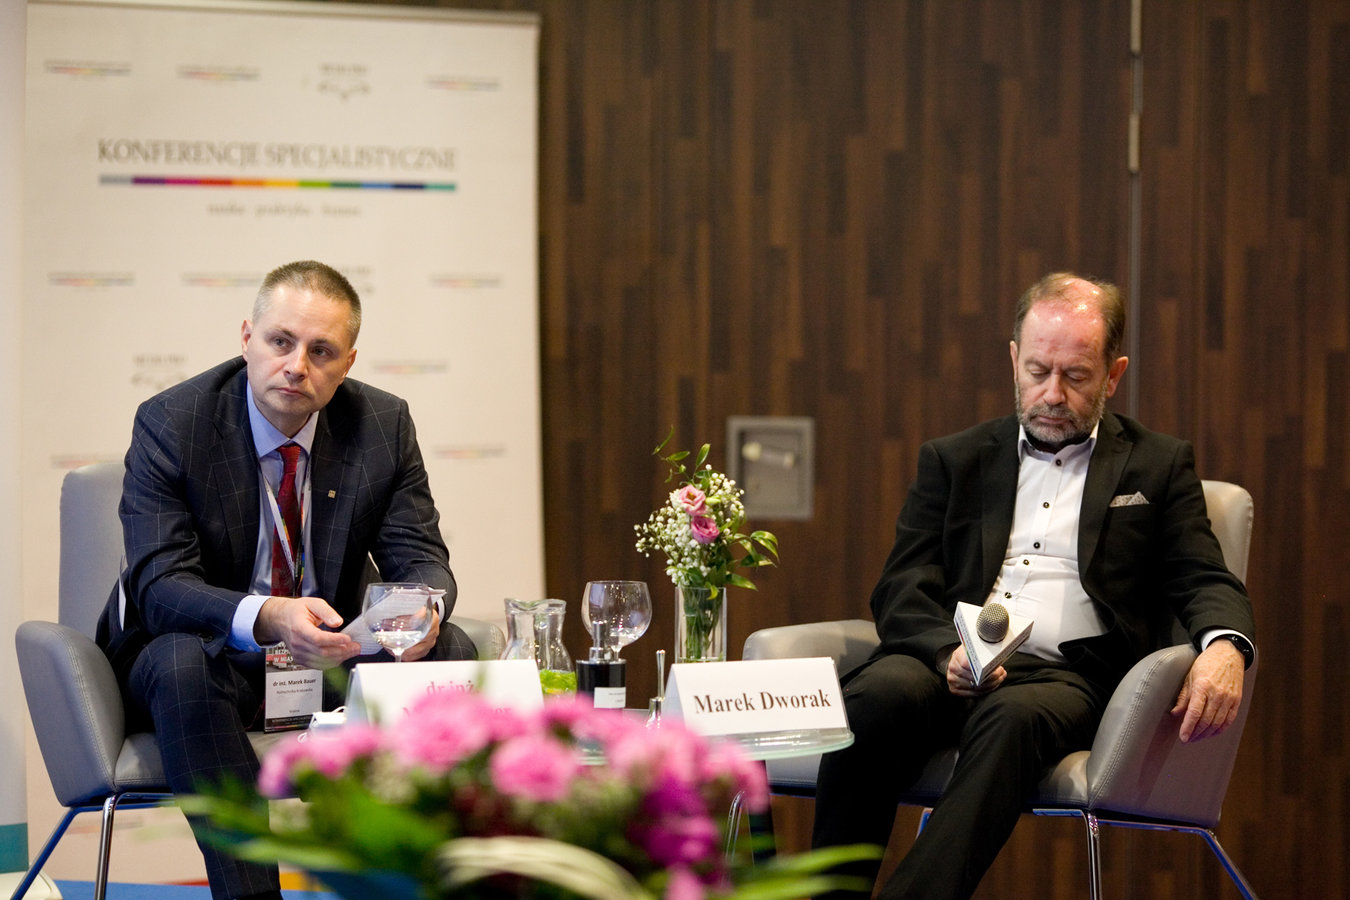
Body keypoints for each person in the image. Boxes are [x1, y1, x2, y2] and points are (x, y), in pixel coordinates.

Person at [812, 272, 1256, 900]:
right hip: (950, 661)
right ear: (1014, 360)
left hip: (1065, 677)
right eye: (1038, 371)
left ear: (1113, 375)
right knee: (874, 699)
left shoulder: (1157, 465)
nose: (1052, 394)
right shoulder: (955, 459)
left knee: (1012, 718)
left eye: (1075, 376)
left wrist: (1226, 645)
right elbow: (902, 584)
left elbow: (1201, 574)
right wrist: (947, 652)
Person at [96, 260, 476, 900]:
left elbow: (420, 557)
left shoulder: (382, 425)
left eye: (321, 351)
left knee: (453, 646)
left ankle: (411, 883)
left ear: (347, 363)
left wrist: (419, 612)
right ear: (247, 338)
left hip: (328, 655)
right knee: (181, 661)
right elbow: (160, 586)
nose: (297, 365)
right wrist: (270, 615)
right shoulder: (174, 422)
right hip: (209, 658)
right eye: (281, 341)